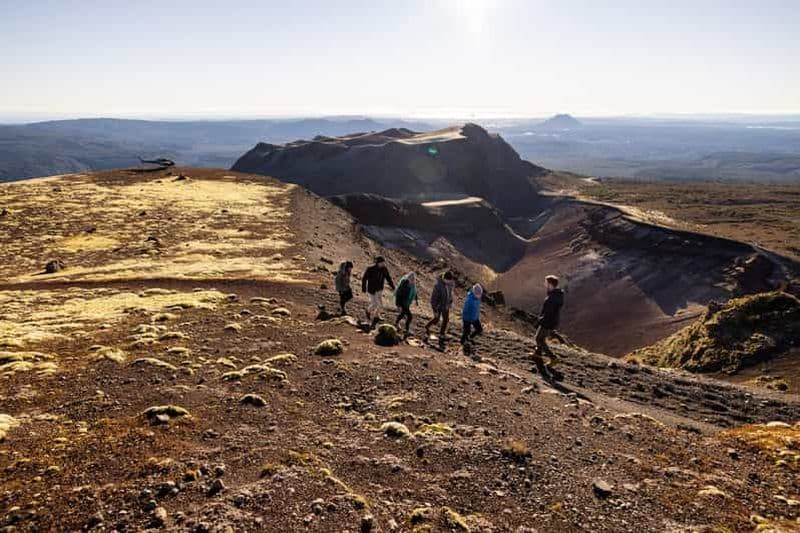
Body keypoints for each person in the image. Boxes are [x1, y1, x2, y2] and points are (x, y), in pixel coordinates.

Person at [531, 275, 565, 380]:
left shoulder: (552, 297)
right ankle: (538, 354)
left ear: (550, 284)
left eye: (545, 282)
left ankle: (553, 358)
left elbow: (548, 313)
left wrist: (539, 321)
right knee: (540, 338)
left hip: (548, 322)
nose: (544, 284)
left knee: (538, 338)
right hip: (552, 321)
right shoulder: (557, 295)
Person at [361, 256, 395, 325]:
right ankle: (368, 311)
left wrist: (393, 287)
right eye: (382, 262)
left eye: (383, 262)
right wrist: (363, 288)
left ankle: (376, 315)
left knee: (381, 305)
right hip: (371, 290)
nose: (383, 264)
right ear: (377, 263)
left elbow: (388, 278)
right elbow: (364, 278)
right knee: (375, 304)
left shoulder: (384, 269)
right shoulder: (370, 269)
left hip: (379, 289)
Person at [425, 271, 455, 339]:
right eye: (447, 280)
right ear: (444, 278)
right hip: (439, 306)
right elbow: (433, 299)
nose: (448, 282)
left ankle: (442, 334)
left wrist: (450, 301)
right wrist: (435, 310)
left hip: (445, 306)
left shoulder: (449, 284)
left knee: (446, 319)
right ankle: (427, 326)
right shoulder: (438, 285)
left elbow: (449, 294)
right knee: (436, 319)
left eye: (449, 280)